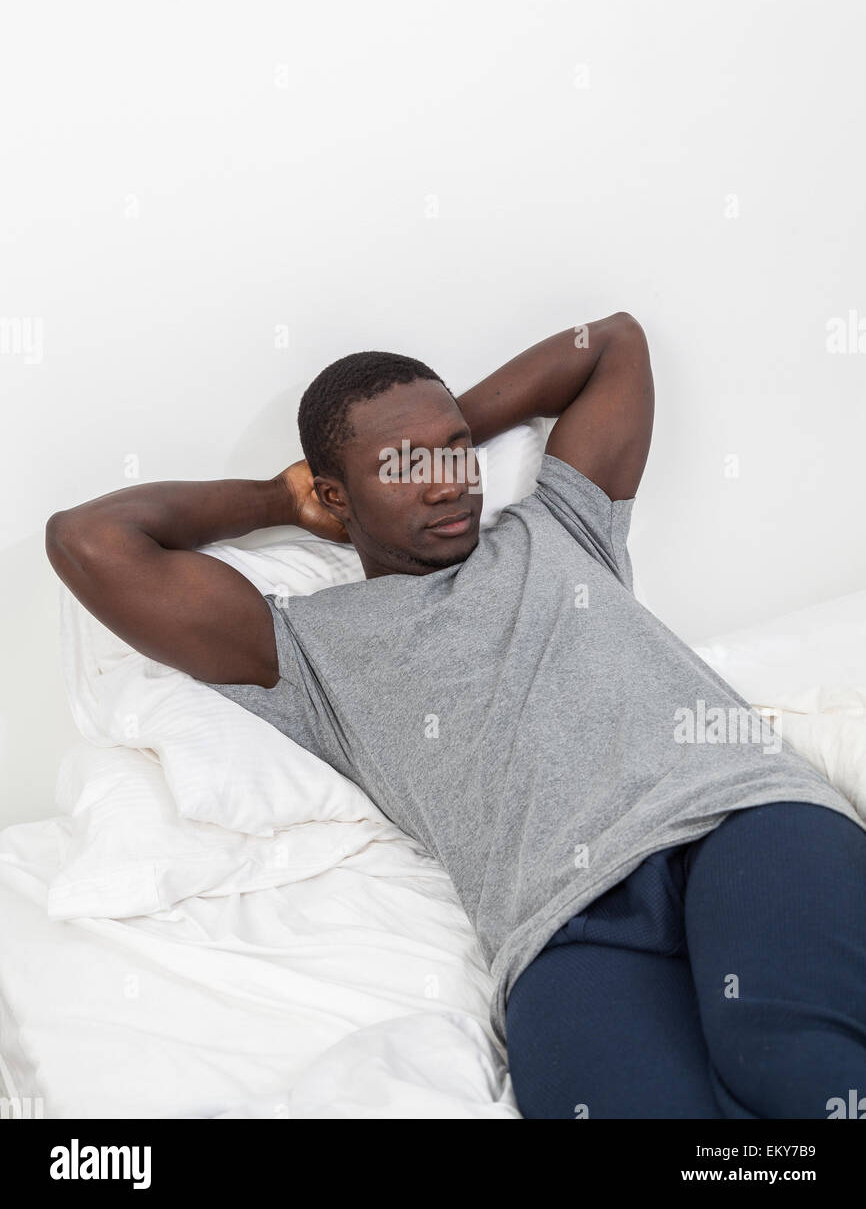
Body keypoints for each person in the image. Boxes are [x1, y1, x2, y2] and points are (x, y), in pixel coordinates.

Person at [46, 315, 866, 1119]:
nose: (446, 481)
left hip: (740, 820)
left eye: (454, 452)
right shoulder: (302, 650)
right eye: (400, 466)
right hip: (561, 925)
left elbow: (613, 342)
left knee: (799, 1074)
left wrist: (436, 432)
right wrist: (275, 497)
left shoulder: (560, 526)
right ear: (334, 494)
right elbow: (87, 539)